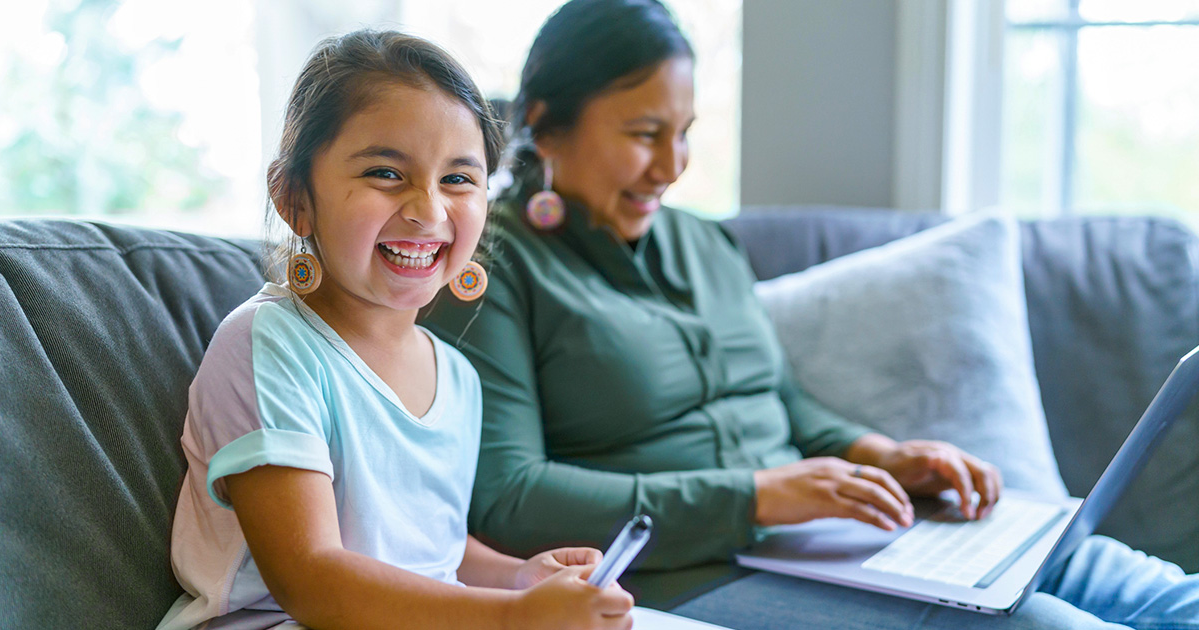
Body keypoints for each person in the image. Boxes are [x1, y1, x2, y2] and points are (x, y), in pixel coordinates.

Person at [421, 2, 1199, 628]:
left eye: (685, 134)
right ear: (546, 124)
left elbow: (779, 401)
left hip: (835, 542)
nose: (671, 166)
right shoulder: (492, 266)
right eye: (643, 134)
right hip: (691, 579)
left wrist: (881, 454)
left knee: (1170, 597)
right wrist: (758, 497)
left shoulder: (703, 243)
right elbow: (509, 499)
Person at [157, 30, 634, 630]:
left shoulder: (456, 376)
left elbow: (431, 554)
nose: (428, 211)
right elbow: (311, 578)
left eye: (459, 179)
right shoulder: (269, 342)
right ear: (293, 198)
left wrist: (519, 578)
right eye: (386, 172)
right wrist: (513, 615)